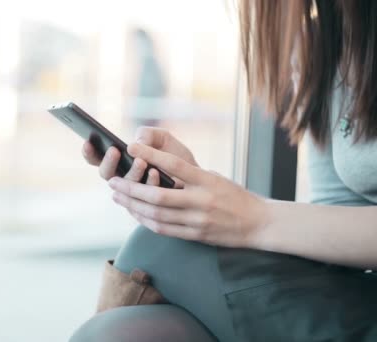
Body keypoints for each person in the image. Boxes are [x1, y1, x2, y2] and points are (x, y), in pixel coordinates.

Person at [71, 1, 377, 341]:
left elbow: (267, 221)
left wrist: (253, 218)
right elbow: (339, 214)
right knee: (121, 330)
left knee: (157, 249)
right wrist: (204, 199)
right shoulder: (334, 37)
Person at [128, 28, 167, 128]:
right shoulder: (144, 65)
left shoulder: (151, 65)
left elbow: (160, 89)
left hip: (148, 117)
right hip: (143, 117)